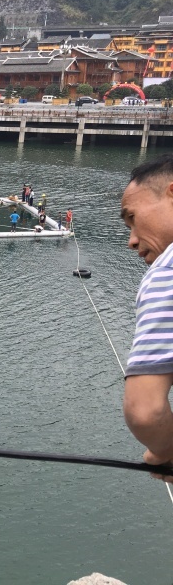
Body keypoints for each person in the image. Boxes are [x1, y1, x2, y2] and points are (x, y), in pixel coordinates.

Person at [121, 154, 173, 481]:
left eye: (133, 218)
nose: (132, 241)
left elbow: (144, 411)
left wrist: (165, 452)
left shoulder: (167, 270)